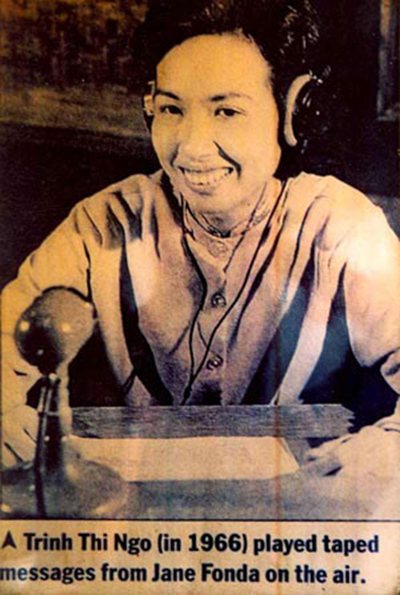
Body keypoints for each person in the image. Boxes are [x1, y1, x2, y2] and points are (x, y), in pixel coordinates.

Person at [2, 0, 400, 475]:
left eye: (226, 111)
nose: (191, 146)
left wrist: (378, 455)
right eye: (172, 109)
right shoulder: (104, 222)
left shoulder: (342, 229)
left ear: (294, 112)